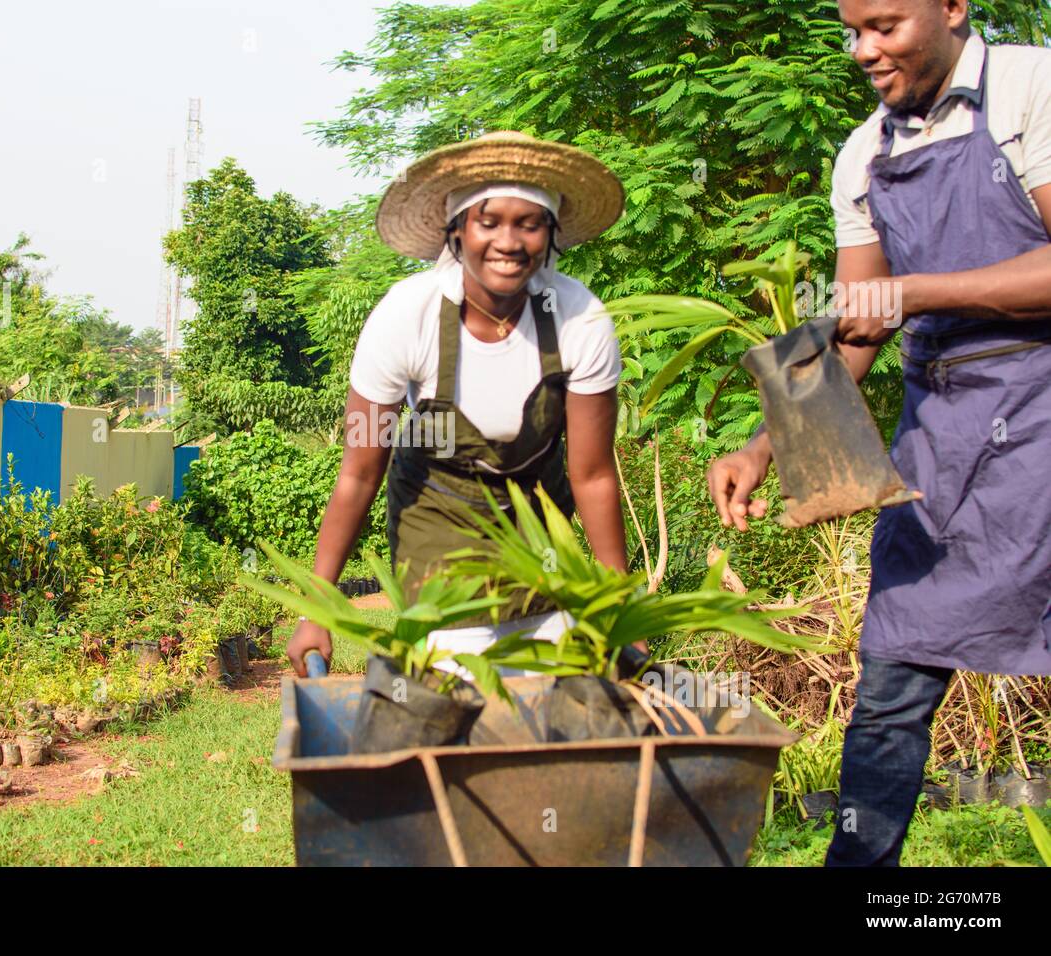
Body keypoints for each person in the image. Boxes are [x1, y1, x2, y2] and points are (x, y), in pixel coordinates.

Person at [707, 0, 1051, 866]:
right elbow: (858, 327)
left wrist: (918, 292)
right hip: (946, 429)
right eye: (852, 30)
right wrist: (765, 443)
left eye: (886, 25)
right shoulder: (866, 153)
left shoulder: (1029, 89)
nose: (864, 49)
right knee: (894, 669)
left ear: (952, 8)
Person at [285, 131, 630, 678]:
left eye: (529, 223)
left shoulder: (578, 318)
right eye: (489, 222)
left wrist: (618, 600)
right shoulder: (407, 316)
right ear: (456, 232)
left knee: (550, 680)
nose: (509, 242)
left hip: (538, 518)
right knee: (452, 677)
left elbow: (592, 475)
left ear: (551, 235)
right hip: (437, 510)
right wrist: (319, 606)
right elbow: (357, 472)